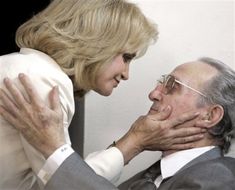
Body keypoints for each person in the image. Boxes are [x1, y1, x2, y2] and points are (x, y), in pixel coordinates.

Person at [0, 0, 205, 189]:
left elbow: (59, 174)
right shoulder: (46, 82)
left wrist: (134, 141)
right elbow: (63, 183)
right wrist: (135, 142)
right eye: (126, 57)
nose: (126, 74)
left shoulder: (22, 66)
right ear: (98, 42)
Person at [118, 57, 235, 190]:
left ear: (210, 116)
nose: (153, 94)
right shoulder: (146, 177)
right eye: (162, 83)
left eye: (172, 86)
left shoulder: (220, 178)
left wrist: (131, 143)